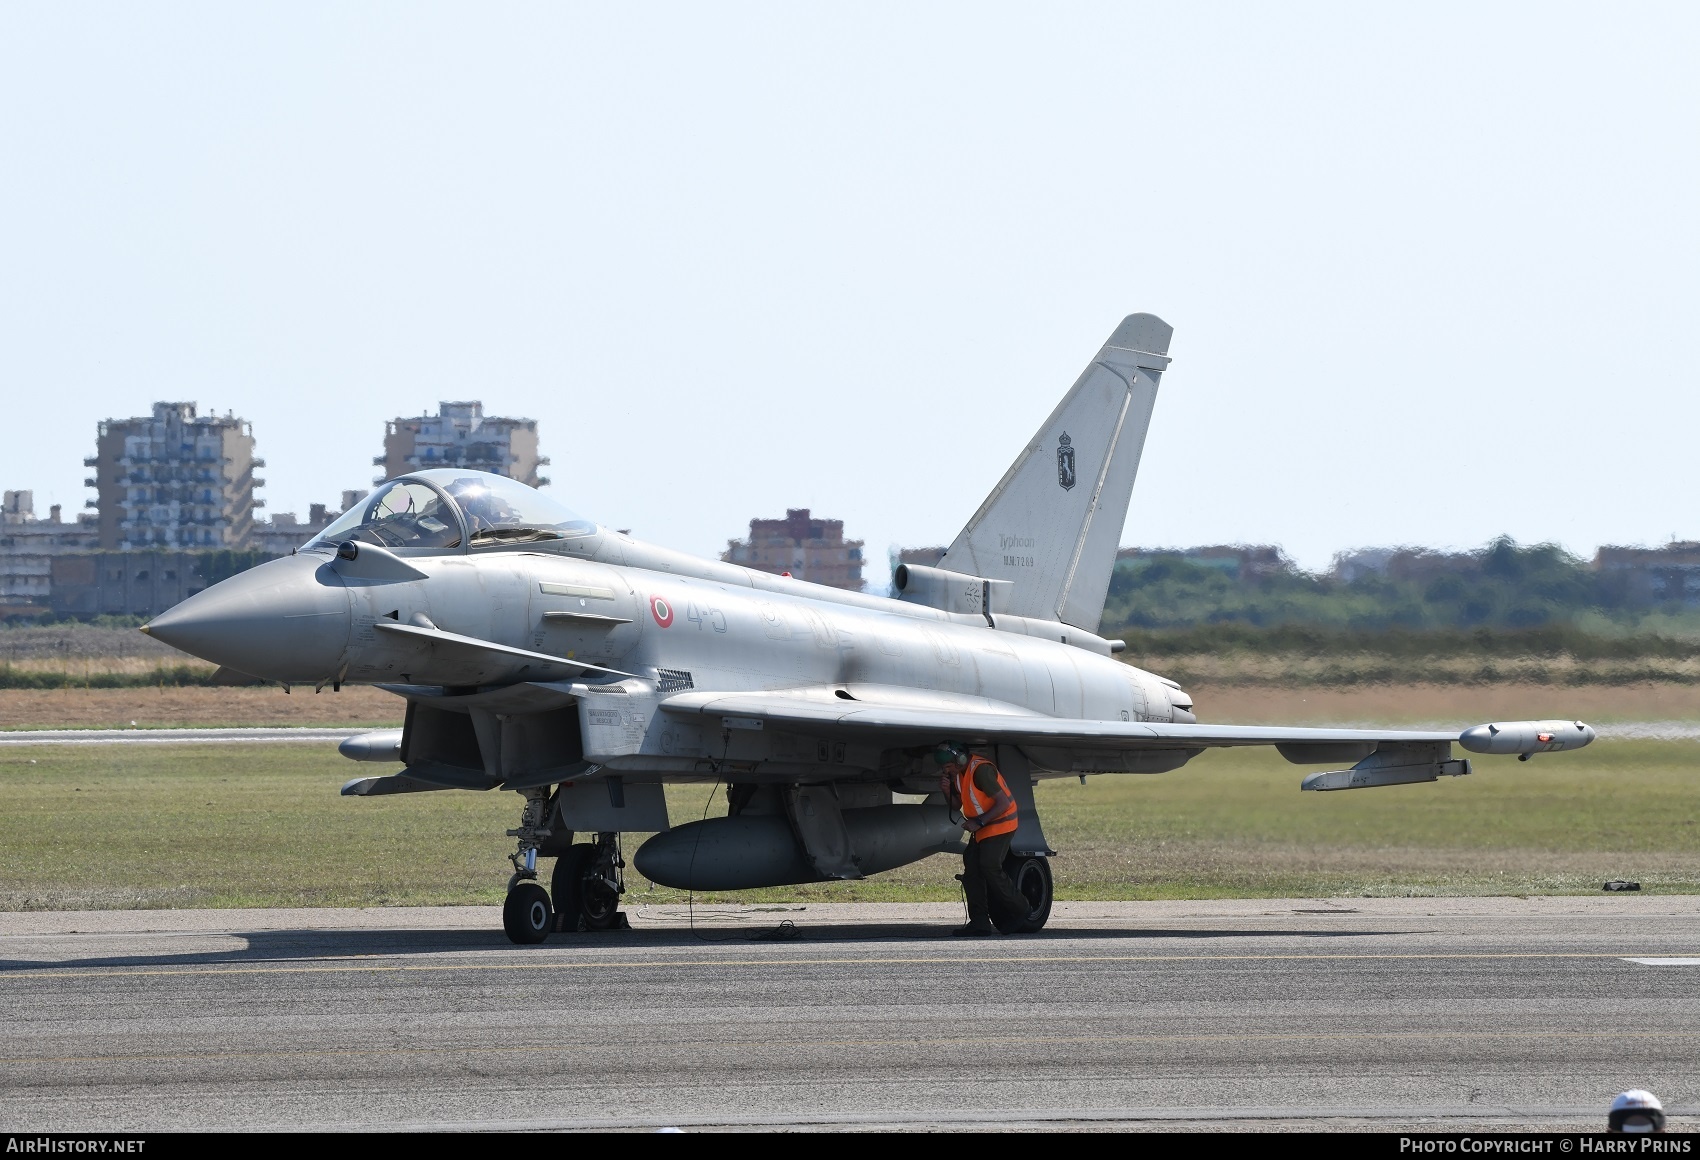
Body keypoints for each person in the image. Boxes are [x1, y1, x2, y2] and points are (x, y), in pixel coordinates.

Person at [935, 743, 1028, 936]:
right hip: (982, 826)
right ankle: (980, 923)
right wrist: (946, 790)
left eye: (948, 766)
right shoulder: (960, 774)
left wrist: (979, 821)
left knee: (989, 865)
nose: (946, 770)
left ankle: (1021, 909)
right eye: (944, 768)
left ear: (959, 760)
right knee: (972, 870)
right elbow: (956, 805)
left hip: (1001, 822)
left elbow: (1004, 803)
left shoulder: (981, 771)